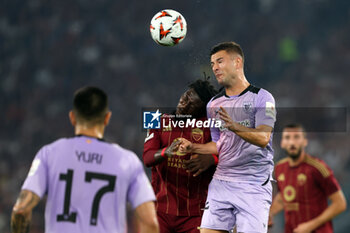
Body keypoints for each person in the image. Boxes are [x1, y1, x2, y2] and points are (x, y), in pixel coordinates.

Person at [11, 86, 159, 233]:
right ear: (107, 118)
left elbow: (21, 210)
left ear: (72, 117)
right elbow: (150, 222)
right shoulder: (127, 161)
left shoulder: (50, 154)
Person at [179, 41, 277, 233]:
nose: (215, 67)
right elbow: (219, 145)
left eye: (220, 61)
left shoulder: (263, 98)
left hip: (254, 185)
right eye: (213, 63)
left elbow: (264, 137)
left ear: (237, 62)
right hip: (222, 182)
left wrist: (234, 126)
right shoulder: (214, 104)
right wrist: (193, 147)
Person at [143, 78, 219, 233]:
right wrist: (166, 152)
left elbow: (232, 151)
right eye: (186, 96)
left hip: (195, 214)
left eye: (192, 103)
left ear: (201, 111)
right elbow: (147, 158)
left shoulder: (212, 126)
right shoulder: (155, 119)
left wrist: (212, 159)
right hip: (159, 211)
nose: (184, 102)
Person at [269, 123, 347, 233]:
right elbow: (284, 197)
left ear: (304, 141)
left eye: (296, 137)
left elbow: (340, 204)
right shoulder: (279, 168)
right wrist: (270, 214)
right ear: (282, 143)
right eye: (287, 138)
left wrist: (310, 225)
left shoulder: (317, 168)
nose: (292, 142)